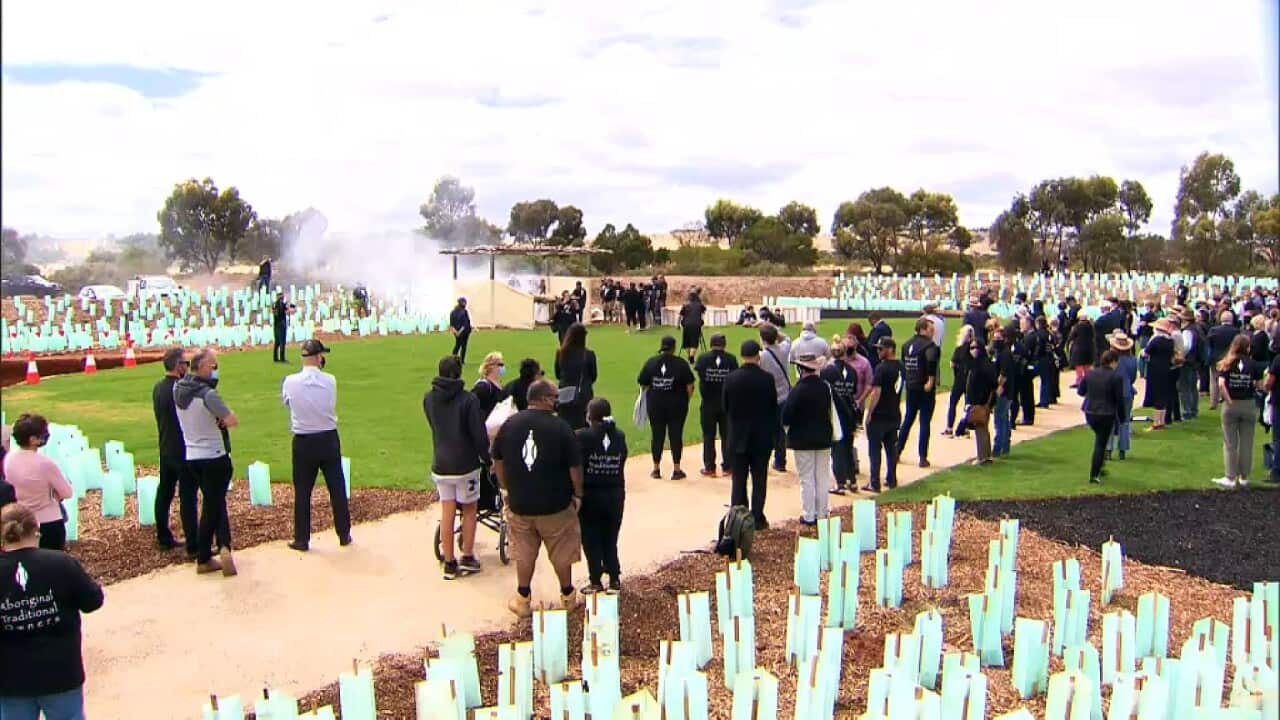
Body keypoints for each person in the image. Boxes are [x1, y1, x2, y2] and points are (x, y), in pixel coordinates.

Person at [0, 503, 104, 720]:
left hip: (10, 677)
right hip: (61, 672)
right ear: (37, 530)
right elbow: (93, 601)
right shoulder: (61, 563)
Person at [492, 380, 584, 616]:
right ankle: (567, 596)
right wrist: (578, 495)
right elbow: (575, 468)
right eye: (554, 396)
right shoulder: (562, 428)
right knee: (562, 551)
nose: (557, 401)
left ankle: (523, 599)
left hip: (520, 502)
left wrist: (506, 489)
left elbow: (497, 461)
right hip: (555, 503)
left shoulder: (510, 424)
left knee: (524, 553)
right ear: (543, 398)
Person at [281, 339, 352, 552]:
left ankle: (301, 538)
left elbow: (288, 403)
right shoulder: (330, 380)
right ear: (318, 357)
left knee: (302, 491)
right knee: (336, 487)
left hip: (303, 439)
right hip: (328, 438)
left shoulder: (290, 381)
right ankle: (344, 533)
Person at [424, 355, 491, 579]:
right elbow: (478, 434)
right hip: (465, 464)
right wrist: (487, 457)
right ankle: (468, 556)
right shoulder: (468, 400)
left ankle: (450, 562)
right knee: (470, 509)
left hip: (441, 462)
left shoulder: (429, 398)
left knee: (447, 511)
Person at [174, 347, 238, 576]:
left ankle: (224, 545)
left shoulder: (178, 390)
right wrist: (222, 420)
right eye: (212, 366)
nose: (215, 370)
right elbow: (232, 420)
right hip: (214, 454)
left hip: (192, 455)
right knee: (212, 508)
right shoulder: (208, 395)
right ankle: (204, 556)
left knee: (214, 502)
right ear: (201, 367)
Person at [723, 341, 779, 529]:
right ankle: (757, 517)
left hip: (738, 435)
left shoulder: (731, 379)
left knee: (738, 480)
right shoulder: (767, 379)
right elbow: (773, 407)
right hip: (761, 436)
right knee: (759, 479)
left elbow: (726, 406)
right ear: (758, 356)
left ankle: (739, 518)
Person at [782, 353, 843, 525]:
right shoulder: (825, 387)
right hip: (823, 437)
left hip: (802, 440)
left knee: (807, 479)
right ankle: (822, 513)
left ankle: (809, 514)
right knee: (822, 477)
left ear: (801, 369)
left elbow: (786, 416)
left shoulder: (797, 390)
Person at [576, 398, 626, 594]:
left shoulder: (582, 436)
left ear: (590, 415)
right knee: (610, 537)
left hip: (591, 495)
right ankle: (614, 578)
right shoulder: (619, 436)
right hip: (615, 494)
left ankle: (595, 580)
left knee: (591, 538)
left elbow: (576, 464)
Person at [1, 415, 73, 551]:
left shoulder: (9, 459)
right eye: (43, 434)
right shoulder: (45, 464)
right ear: (33, 439)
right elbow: (67, 493)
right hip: (48, 523)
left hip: (20, 522)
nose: (46, 436)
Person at [152, 347, 198, 555]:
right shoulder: (179, 388)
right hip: (182, 447)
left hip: (165, 446)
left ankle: (163, 536)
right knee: (187, 496)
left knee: (165, 492)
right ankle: (193, 541)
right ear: (178, 365)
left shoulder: (158, 388)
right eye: (185, 364)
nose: (187, 368)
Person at [637, 336, 696, 480]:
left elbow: (643, 383)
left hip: (655, 404)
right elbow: (690, 385)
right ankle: (676, 469)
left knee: (657, 435)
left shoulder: (651, 362)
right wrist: (686, 399)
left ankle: (656, 469)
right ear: (674, 348)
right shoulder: (681, 363)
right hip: (677, 405)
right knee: (676, 435)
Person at [1214, 335, 1263, 488]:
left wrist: (1228, 400)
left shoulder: (1227, 363)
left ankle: (1230, 477)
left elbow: (1221, 385)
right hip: (1248, 403)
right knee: (1247, 442)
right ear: (1248, 347)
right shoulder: (1253, 364)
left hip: (1231, 404)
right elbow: (1259, 385)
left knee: (1230, 443)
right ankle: (1244, 477)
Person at [896, 317, 941, 468]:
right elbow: (931, 361)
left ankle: (897, 451)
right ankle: (922, 457)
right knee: (924, 422)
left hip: (911, 386)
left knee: (908, 419)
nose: (932, 332)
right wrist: (931, 379)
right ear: (923, 329)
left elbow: (903, 364)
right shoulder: (930, 346)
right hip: (925, 387)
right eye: (930, 329)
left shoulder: (907, 344)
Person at [861, 337, 903, 492]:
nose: (878, 351)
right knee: (891, 449)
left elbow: (876, 392)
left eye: (881, 349)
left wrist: (870, 412)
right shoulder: (901, 367)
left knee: (874, 450)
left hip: (879, 415)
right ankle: (892, 479)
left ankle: (874, 482)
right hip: (894, 413)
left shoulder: (881, 368)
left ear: (890, 349)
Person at [694, 334, 738, 477]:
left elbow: (700, 374)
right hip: (727, 403)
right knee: (727, 435)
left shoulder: (703, 358)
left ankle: (709, 467)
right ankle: (728, 466)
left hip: (708, 402)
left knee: (708, 435)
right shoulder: (731, 359)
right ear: (724, 345)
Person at [1079, 350, 1125, 483]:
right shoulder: (1116, 377)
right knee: (1100, 443)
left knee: (1100, 440)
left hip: (1090, 412)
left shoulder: (1090, 373)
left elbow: (1081, 391)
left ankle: (1100, 466)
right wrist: (1122, 417)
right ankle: (1094, 474)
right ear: (1113, 362)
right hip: (1106, 413)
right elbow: (1119, 399)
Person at [821, 343, 861, 494]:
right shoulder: (852, 371)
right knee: (848, 448)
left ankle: (840, 483)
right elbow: (854, 390)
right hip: (848, 414)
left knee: (837, 450)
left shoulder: (827, 372)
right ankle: (852, 481)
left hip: (834, 414)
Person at [758, 324, 793, 472]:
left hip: (767, 396)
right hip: (784, 395)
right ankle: (780, 461)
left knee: (766, 429)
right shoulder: (784, 349)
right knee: (780, 431)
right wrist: (776, 332)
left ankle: (764, 459)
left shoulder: (762, 355)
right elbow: (788, 338)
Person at [555, 323, 598, 430]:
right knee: (583, 423)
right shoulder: (588, 354)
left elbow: (558, 374)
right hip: (583, 392)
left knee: (565, 422)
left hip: (564, 391)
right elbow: (593, 375)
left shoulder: (561, 353)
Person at [964, 338, 998, 464]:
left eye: (975, 348)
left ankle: (982, 457)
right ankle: (986, 455)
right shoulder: (981, 363)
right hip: (983, 401)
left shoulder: (981, 365)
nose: (973, 351)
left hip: (981, 401)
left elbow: (990, 384)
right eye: (971, 348)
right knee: (983, 428)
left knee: (980, 429)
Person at [1140, 319, 1178, 429]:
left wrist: (1143, 353)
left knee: (1157, 394)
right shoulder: (1170, 341)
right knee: (1163, 394)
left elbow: (1146, 352)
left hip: (1155, 369)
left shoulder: (1156, 340)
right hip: (1166, 368)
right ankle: (1162, 420)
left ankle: (1157, 422)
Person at [1106, 333, 1138, 461]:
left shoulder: (1111, 360)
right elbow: (1133, 378)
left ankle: (1108, 449)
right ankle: (1122, 450)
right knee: (1124, 422)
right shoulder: (1132, 360)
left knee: (1110, 421)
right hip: (1127, 393)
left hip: (1113, 393)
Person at [943, 325, 975, 438]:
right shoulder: (975, 349)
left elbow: (952, 364)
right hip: (970, 381)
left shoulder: (959, 349)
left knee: (953, 403)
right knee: (968, 405)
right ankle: (965, 427)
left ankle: (949, 428)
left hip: (959, 380)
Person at [1207, 311, 1239, 410]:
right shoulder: (1236, 331)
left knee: (1214, 381)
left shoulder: (1213, 330)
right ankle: (1228, 400)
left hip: (1215, 359)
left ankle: (1213, 403)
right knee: (1229, 380)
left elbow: (1209, 344)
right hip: (1230, 359)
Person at [992, 328, 1016, 457]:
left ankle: (998, 447)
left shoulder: (1004, 354)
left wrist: (998, 389)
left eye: (998, 338)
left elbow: (1004, 374)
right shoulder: (1001, 352)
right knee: (1004, 418)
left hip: (1004, 391)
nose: (996, 341)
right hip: (1008, 390)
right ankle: (1005, 446)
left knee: (999, 418)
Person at [472, 352, 509, 420]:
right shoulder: (483, 387)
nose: (503, 367)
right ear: (491, 366)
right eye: (500, 364)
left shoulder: (502, 386)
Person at [678, 292, 707, 362]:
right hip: (696, 324)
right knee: (694, 341)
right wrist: (701, 321)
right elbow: (703, 312)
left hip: (686, 324)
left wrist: (678, 325)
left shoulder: (685, 305)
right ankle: (692, 355)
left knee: (686, 341)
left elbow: (680, 316)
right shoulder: (700, 305)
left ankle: (689, 355)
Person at [1068, 316, 1094, 386]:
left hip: (1078, 348)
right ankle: (1088, 381)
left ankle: (1079, 382)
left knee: (1079, 366)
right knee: (1087, 366)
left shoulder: (1077, 327)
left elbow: (1071, 337)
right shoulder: (1091, 327)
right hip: (1089, 348)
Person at [271, 292, 295, 363]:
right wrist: (286, 310)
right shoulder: (279, 305)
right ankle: (282, 359)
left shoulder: (275, 304)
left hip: (276, 325)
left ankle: (275, 358)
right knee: (282, 342)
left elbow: (288, 308)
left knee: (277, 342)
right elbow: (282, 312)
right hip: (281, 325)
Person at [449, 298, 473, 364]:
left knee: (457, 345)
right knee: (463, 346)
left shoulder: (452, 312)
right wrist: (459, 332)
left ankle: (453, 359)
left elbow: (451, 325)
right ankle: (462, 361)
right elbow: (465, 324)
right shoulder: (464, 311)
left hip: (456, 332)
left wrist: (456, 332)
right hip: (464, 332)